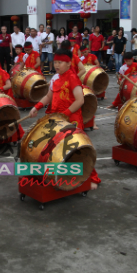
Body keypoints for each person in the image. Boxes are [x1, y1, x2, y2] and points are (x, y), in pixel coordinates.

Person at [28, 48, 101, 190]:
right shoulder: (56, 78)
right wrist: (36, 106)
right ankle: (65, 175)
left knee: (76, 149)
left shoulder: (73, 78)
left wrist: (65, 114)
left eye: (60, 62)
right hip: (57, 119)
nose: (56, 65)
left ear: (68, 63)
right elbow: (49, 96)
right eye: (55, 62)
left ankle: (91, 178)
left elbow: (80, 100)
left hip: (71, 119)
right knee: (58, 149)